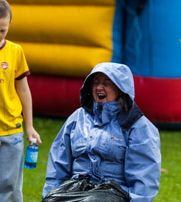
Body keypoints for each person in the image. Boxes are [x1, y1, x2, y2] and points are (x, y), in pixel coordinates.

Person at [42, 62, 161, 202]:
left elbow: (144, 175)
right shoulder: (77, 118)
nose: (99, 87)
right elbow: (58, 162)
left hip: (114, 191)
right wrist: (49, 194)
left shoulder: (137, 125)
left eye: (107, 83)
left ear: (121, 88)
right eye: (95, 82)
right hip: (75, 188)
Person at [0, 0, 42, 201]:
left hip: (12, 130)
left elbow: (24, 91)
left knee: (10, 186)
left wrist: (30, 126)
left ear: (9, 25)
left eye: (2, 30)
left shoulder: (15, 52)